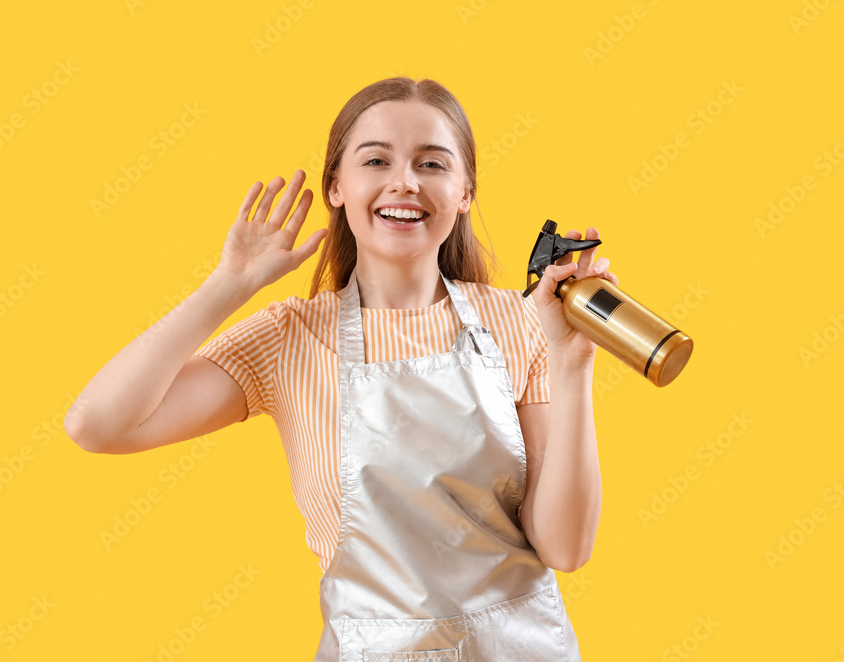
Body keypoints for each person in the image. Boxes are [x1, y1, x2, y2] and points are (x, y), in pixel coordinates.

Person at [65, 76, 617, 660]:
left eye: (432, 164)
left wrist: (571, 360)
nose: (404, 182)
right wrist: (228, 286)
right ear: (337, 186)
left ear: (465, 192)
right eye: (376, 160)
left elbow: (566, 548)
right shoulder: (288, 338)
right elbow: (98, 425)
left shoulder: (522, 322)